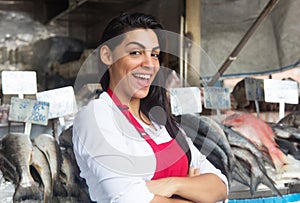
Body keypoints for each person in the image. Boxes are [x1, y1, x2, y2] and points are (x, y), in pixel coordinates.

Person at [72, 12, 228, 203]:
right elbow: (128, 199)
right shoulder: (96, 117)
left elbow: (220, 185)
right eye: (136, 53)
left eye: (154, 54)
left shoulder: (160, 121)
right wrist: (194, 191)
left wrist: (172, 184)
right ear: (107, 55)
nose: (150, 64)